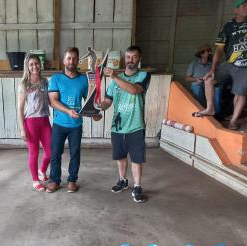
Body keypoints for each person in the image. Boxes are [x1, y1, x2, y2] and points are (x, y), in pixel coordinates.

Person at [192, 0, 247, 130]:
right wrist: (213, 69)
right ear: (236, 9)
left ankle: (233, 120)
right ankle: (210, 109)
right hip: (230, 64)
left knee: (241, 94)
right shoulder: (227, 26)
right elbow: (219, 49)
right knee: (208, 79)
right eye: (244, 5)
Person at [46, 47, 101, 193]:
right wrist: (68, 111)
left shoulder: (84, 79)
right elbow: (53, 101)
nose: (71, 61)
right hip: (59, 124)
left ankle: (72, 180)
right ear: (64, 60)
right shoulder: (56, 79)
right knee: (55, 153)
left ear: (78, 61)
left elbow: (89, 101)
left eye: (74, 58)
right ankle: (54, 180)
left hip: (76, 125)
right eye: (69, 58)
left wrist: (94, 112)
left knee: (75, 153)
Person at [101, 46, 151, 203]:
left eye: (134, 57)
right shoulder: (114, 81)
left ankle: (137, 187)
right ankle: (122, 180)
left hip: (136, 126)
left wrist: (114, 77)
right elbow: (107, 102)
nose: (131, 60)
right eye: (128, 57)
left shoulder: (144, 75)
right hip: (117, 127)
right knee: (120, 157)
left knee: (137, 159)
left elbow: (134, 90)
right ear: (125, 59)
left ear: (139, 59)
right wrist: (95, 109)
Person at [17, 54, 51, 192]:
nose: (34, 66)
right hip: (31, 122)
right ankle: (35, 180)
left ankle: (42, 171)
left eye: (36, 63)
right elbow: (19, 108)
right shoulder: (24, 84)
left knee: (51, 152)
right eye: (31, 64)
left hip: (44, 121)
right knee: (34, 153)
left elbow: (51, 101)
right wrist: (22, 129)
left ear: (40, 64)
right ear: (27, 66)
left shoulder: (45, 82)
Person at [185, 43, 223, 111]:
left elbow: (218, 77)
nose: (210, 53)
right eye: (207, 51)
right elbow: (187, 78)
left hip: (209, 85)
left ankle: (216, 115)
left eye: (209, 51)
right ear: (201, 54)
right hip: (197, 85)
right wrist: (196, 79)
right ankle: (200, 110)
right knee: (198, 89)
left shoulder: (213, 64)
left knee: (218, 90)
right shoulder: (194, 64)